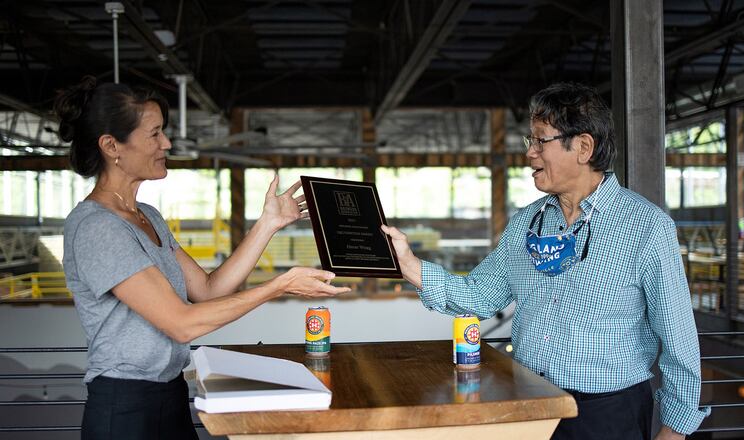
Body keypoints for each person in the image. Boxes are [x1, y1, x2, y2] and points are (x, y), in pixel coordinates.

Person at [382, 82, 708, 440]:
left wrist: (675, 429)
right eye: (530, 141)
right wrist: (409, 264)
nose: (530, 154)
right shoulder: (527, 222)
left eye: (540, 141)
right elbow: (479, 296)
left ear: (583, 147)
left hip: (607, 413)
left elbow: (679, 340)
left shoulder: (646, 226)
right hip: (530, 403)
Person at [56, 76, 350, 440]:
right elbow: (181, 323)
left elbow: (209, 291)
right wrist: (279, 286)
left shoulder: (148, 216)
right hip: (125, 405)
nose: (166, 143)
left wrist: (269, 224)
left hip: (169, 393)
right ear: (111, 145)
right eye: (155, 134)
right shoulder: (97, 228)